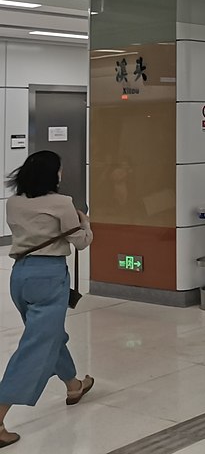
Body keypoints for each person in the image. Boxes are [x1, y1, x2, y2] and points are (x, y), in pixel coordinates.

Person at [0, 151, 94, 448]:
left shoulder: (14, 202)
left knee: (49, 336)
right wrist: (85, 223)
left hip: (20, 276)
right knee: (37, 345)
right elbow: (81, 242)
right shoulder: (61, 203)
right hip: (49, 277)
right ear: (52, 174)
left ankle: (73, 385)